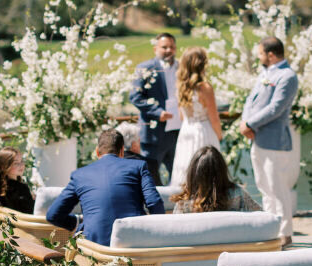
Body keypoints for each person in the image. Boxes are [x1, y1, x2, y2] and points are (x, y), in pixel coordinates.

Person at [46, 128, 164, 246]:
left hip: (95, 250)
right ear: (122, 151)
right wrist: (154, 233)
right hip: (134, 247)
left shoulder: (79, 175)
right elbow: (154, 203)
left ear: (97, 152)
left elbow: (53, 215)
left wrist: (80, 222)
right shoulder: (139, 166)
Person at [239, 36, 300, 246]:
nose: (258, 57)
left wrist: (250, 124)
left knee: (278, 187)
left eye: (260, 54)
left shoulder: (287, 76)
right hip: (257, 138)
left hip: (275, 140)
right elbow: (251, 100)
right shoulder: (265, 73)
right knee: (263, 185)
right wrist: (245, 122)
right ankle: (270, 227)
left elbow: (277, 108)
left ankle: (285, 232)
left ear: (271, 55)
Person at [129, 32, 181, 185]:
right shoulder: (145, 68)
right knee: (149, 180)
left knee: (179, 179)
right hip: (153, 136)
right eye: (164, 47)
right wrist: (158, 112)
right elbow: (135, 97)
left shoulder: (182, 68)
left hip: (177, 133)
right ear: (155, 49)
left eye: (171, 47)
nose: (168, 50)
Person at [169, 47, 223, 192]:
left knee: (186, 169)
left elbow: (182, 116)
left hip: (186, 130)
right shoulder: (204, 87)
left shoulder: (180, 86)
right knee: (208, 172)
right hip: (204, 130)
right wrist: (218, 136)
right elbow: (214, 117)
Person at [173, 146, 261, 214]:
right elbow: (261, 215)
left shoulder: (184, 204)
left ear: (192, 173)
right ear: (222, 170)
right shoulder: (238, 195)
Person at [0, 147, 33, 216]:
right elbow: (30, 212)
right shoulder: (22, 188)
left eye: (22, 161)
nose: (21, 165)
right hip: (22, 225)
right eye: (16, 163)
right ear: (4, 166)